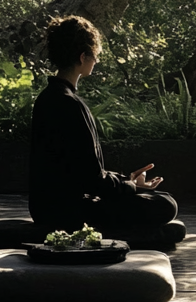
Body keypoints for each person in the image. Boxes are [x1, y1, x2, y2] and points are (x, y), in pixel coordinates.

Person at [28, 15, 178, 236]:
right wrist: (131, 187)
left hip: (46, 207)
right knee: (166, 204)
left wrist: (127, 181)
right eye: (94, 56)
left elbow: (81, 171)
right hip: (68, 211)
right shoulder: (69, 104)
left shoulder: (46, 98)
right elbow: (92, 181)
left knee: (158, 198)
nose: (96, 61)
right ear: (82, 57)